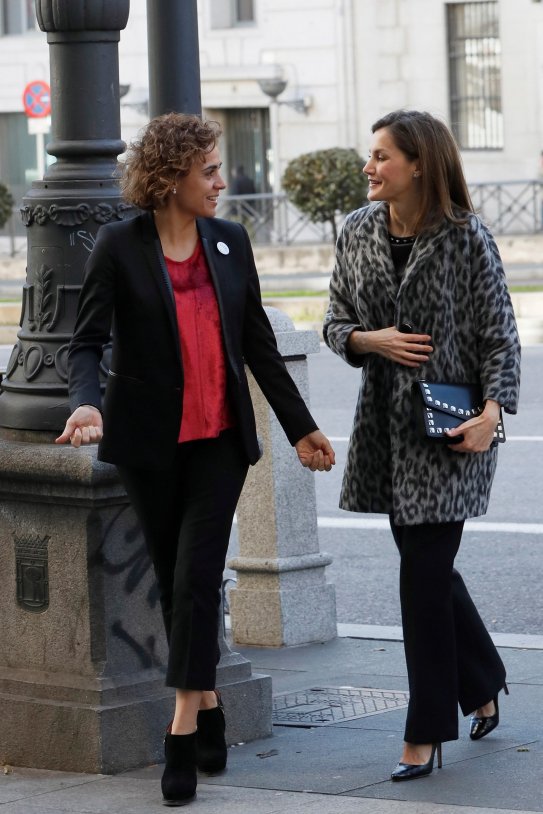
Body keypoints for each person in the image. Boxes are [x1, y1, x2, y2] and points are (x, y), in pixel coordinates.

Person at [56, 112, 335, 806]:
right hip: (148, 445)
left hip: (219, 443)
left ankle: (179, 731)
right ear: (171, 175)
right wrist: (85, 404)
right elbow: (85, 342)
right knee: (180, 580)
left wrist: (301, 429)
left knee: (194, 580)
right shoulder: (119, 247)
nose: (220, 182)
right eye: (208, 170)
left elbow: (259, 349)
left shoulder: (231, 243)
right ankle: (208, 701)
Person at [323, 109, 521, 782]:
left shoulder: (466, 238)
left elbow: (499, 336)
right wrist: (368, 339)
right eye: (369, 155)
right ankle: (485, 677)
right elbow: (333, 322)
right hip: (385, 429)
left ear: (418, 165)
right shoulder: (355, 231)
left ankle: (423, 730)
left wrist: (494, 413)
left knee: (419, 577)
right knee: (428, 569)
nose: (368, 166)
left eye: (381, 156)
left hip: (452, 429)